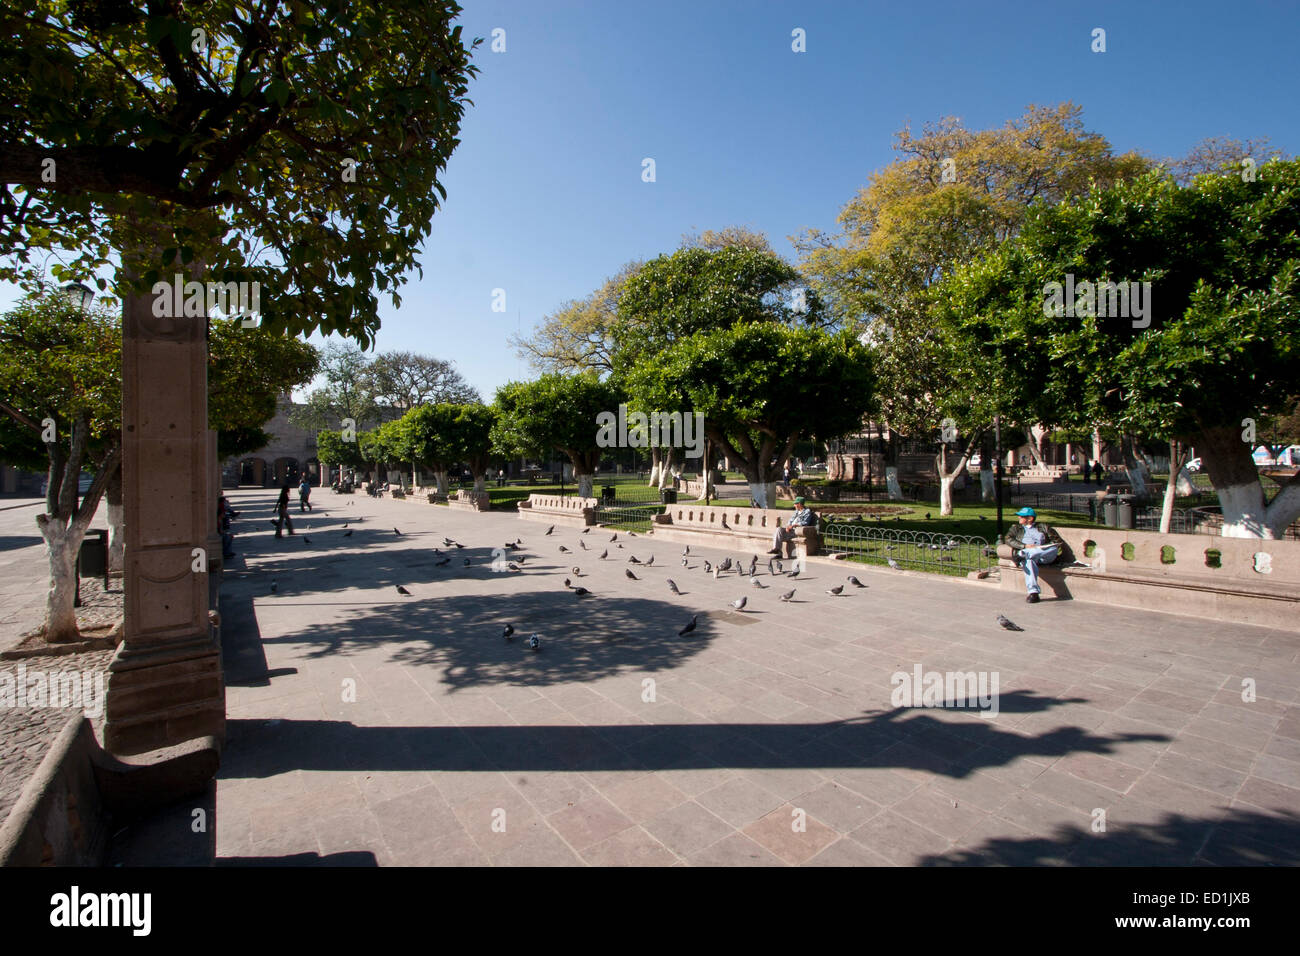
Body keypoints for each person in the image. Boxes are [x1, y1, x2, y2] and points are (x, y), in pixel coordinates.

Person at [1003, 506, 1065, 603]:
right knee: (1028, 561)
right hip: (1029, 555)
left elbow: (1058, 542)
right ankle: (1034, 593)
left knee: (1053, 548)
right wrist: (1024, 546)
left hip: (1044, 555)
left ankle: (1024, 554)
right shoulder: (1016, 528)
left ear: (1030, 518)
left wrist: (1042, 547)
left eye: (1021, 516)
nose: (1019, 517)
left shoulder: (1044, 527)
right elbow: (1008, 539)